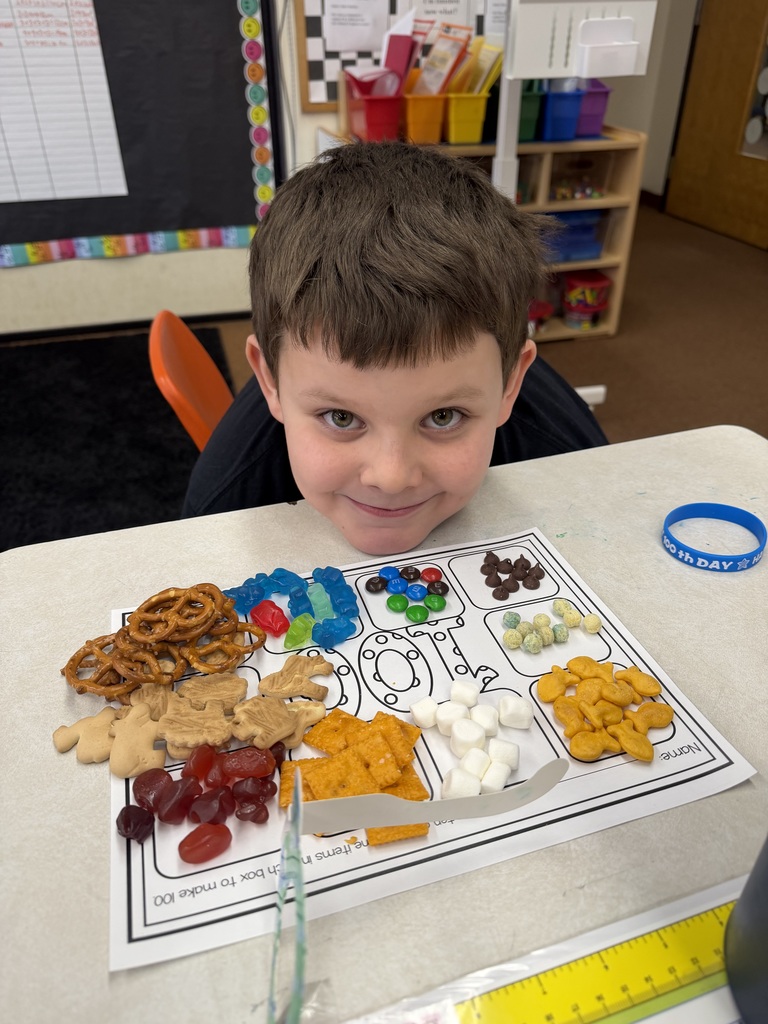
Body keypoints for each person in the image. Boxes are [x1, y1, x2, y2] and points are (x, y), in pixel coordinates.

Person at [183, 140, 607, 555]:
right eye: (341, 417)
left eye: (443, 417)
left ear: (511, 382)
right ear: (270, 382)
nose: (391, 477)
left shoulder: (575, 467)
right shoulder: (221, 508)